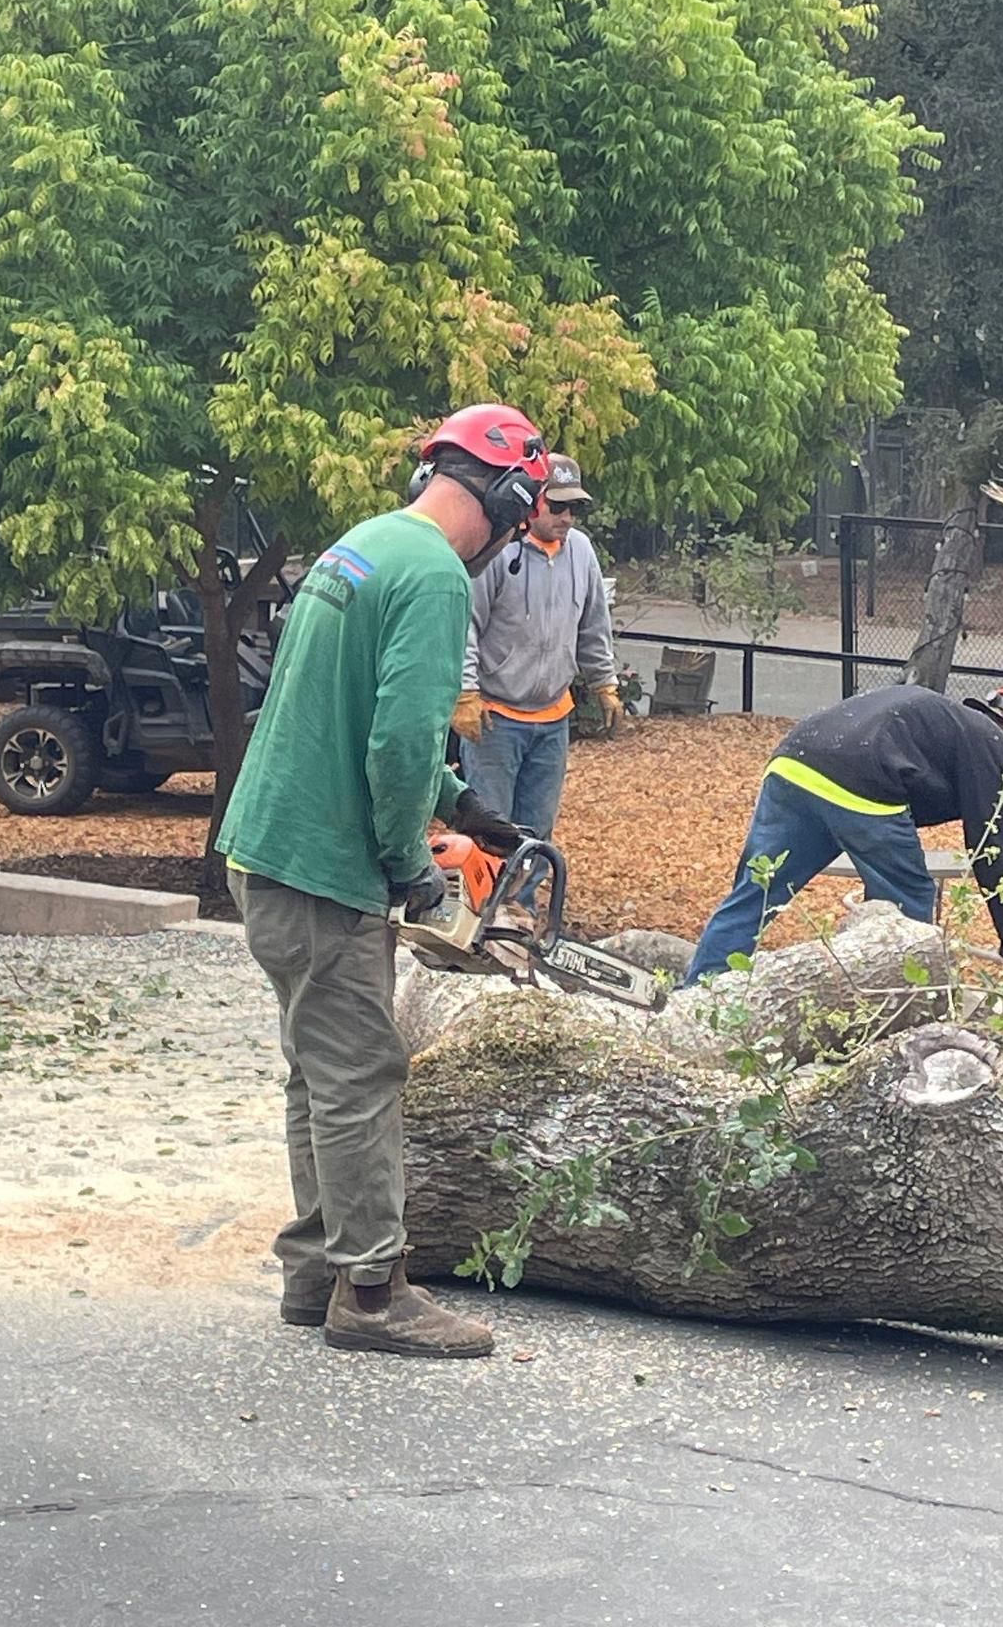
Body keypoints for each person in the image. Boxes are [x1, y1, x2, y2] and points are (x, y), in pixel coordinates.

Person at [217, 403, 551, 1359]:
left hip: (268, 851)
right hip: (322, 866)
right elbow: (400, 738)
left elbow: (346, 704)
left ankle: (314, 1268)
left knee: (316, 1068)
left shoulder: (361, 547)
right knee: (363, 1069)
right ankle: (372, 1292)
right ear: (507, 494)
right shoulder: (439, 576)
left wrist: (461, 803)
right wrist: (411, 861)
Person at [683, 684, 1003, 988]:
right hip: (863, 778)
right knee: (907, 906)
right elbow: (997, 853)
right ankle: (898, 1012)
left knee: (756, 894)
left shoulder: (950, 724)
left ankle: (697, 998)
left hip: (792, 764)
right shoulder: (993, 747)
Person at [450, 454, 621, 913]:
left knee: (537, 830)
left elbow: (593, 625)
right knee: (490, 827)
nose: (566, 518)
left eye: (574, 509)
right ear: (532, 504)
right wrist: (464, 693)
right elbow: (465, 624)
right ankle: (478, 914)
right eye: (558, 506)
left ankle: (518, 914)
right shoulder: (498, 551)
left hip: (552, 718)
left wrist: (604, 682)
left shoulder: (581, 551)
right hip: (495, 719)